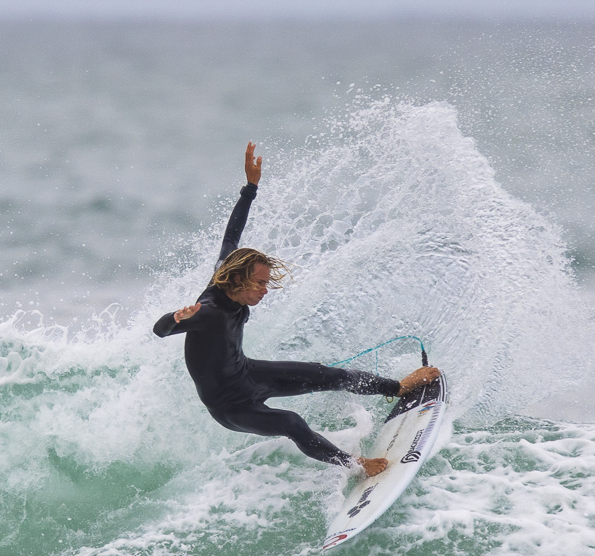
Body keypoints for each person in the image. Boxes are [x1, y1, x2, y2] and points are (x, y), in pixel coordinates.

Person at [154, 143, 440, 475]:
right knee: (291, 422)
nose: (265, 289)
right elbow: (160, 330)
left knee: (327, 374)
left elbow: (231, 235)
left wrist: (250, 188)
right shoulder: (208, 311)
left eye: (265, 282)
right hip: (230, 406)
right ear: (238, 280)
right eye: (259, 283)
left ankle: (397, 387)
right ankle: (355, 465)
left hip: (248, 374)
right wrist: (176, 318)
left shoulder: (227, 272)